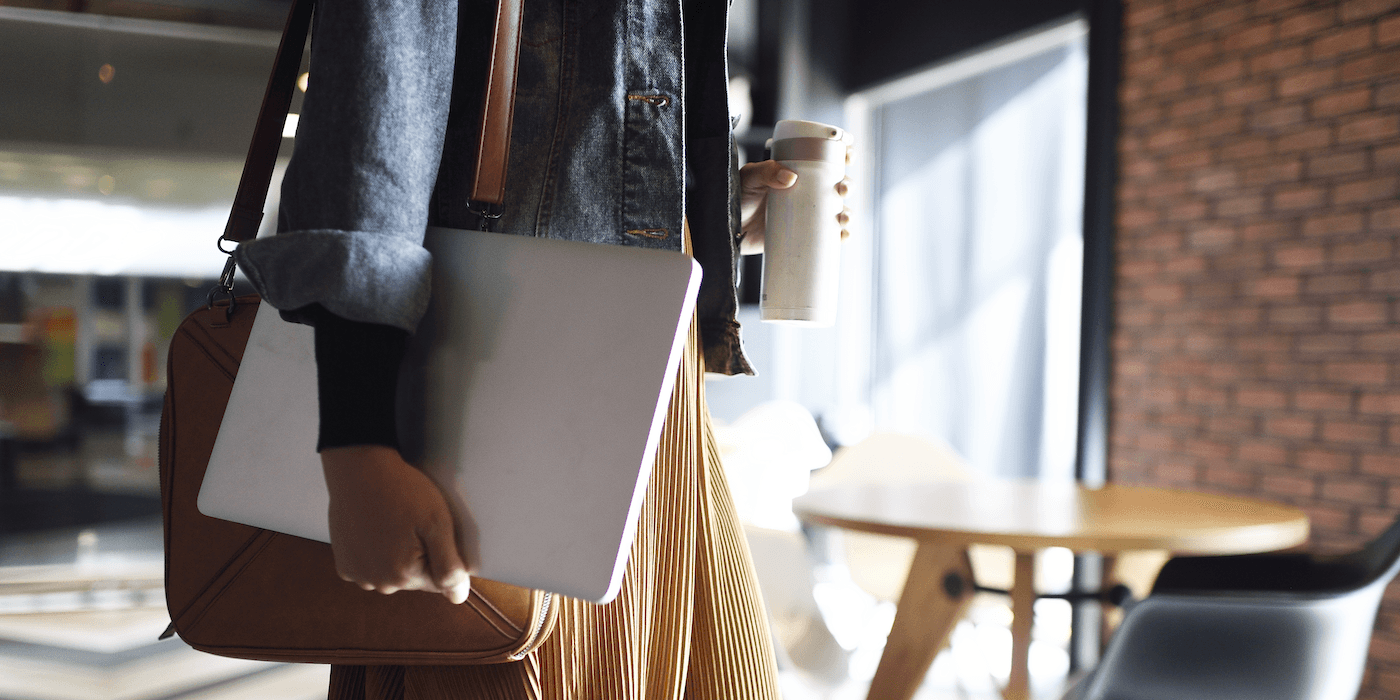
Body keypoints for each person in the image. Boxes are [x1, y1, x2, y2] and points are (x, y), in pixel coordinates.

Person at [232, 0, 844, 696]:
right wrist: (358, 439)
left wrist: (709, 214)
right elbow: (379, 101)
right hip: (508, 381)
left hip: (647, 385)